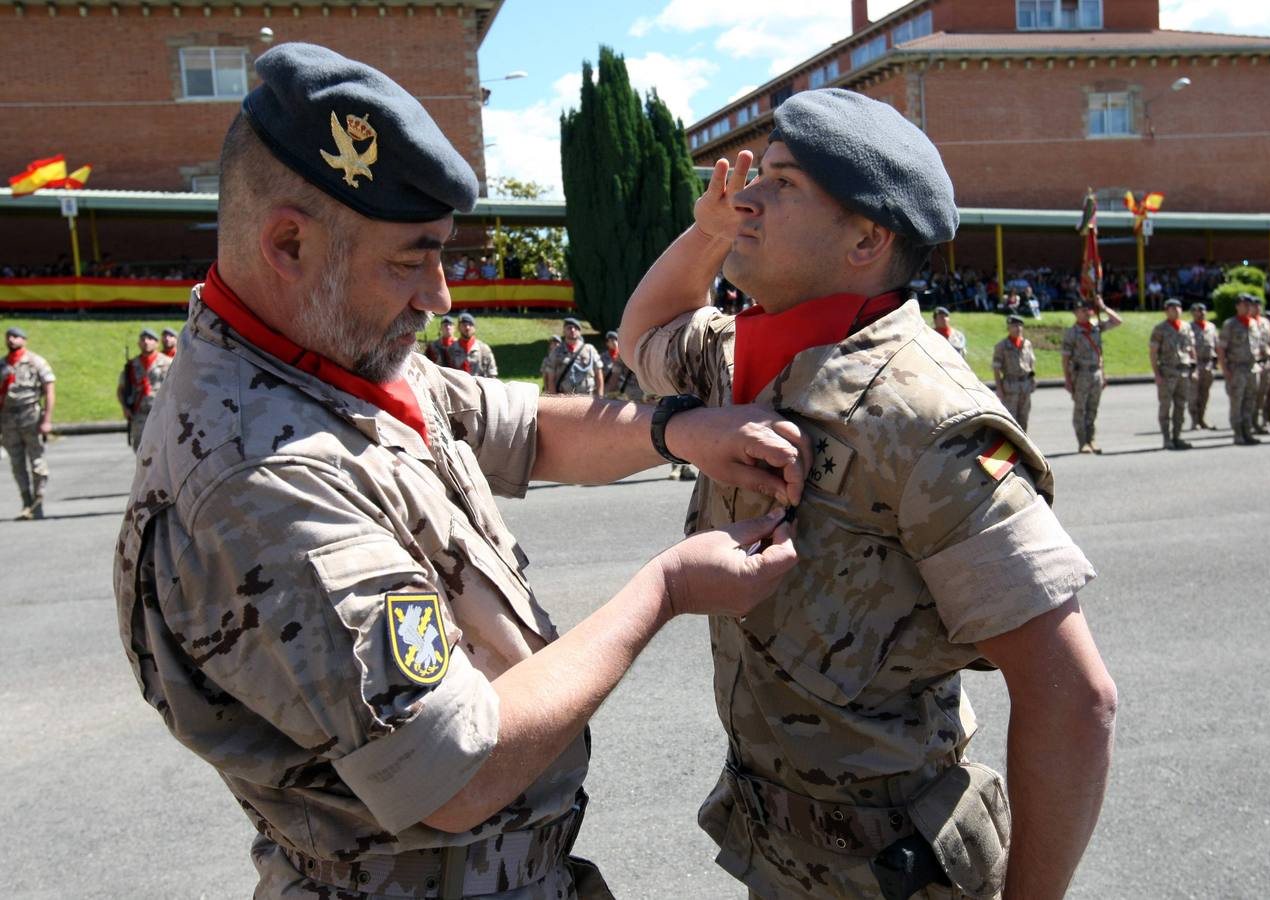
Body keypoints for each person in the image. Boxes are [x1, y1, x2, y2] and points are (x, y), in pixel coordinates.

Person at [112, 44, 811, 900]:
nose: (439, 296)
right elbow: (456, 771)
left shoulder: (326, 350)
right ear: (288, 243)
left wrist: (680, 430)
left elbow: (516, 426)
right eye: (412, 259)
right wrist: (663, 589)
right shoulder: (256, 477)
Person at [620, 89, 1114, 900]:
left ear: (866, 238)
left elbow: (1074, 698)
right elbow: (644, 335)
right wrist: (713, 232)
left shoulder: (928, 418)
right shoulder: (745, 352)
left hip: (897, 869)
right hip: (774, 848)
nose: (747, 197)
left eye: (782, 184)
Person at [1, 326, 55, 520]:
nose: (11, 340)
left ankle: (37, 502)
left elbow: (49, 389)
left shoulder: (35, 362)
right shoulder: (2, 365)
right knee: (16, 463)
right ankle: (26, 501)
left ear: (24, 339)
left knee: (37, 461)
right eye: (9, 337)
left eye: (16, 336)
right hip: (7, 420)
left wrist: (47, 420)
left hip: (30, 417)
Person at [1062, 295, 1122, 454]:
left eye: (1088, 309)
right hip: (1080, 375)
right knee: (1080, 409)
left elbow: (1117, 321)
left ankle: (1092, 439)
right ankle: (1082, 442)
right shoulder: (1072, 333)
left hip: (1096, 373)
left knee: (1093, 408)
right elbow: (1065, 358)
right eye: (1083, 310)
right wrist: (1067, 380)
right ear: (1076, 313)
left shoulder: (1096, 327)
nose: (1087, 312)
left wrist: (1103, 307)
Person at [1148, 299, 1196, 451]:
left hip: (1184, 371)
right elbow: (1153, 353)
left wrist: (1194, 369)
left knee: (1181, 405)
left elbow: (1191, 348)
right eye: (1172, 308)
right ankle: (1166, 438)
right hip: (1167, 371)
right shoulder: (1160, 329)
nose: (1176, 310)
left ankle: (1177, 436)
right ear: (1166, 311)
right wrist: (1156, 373)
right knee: (1166, 406)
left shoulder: (1186, 327)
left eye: (1178, 307)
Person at [1218, 292, 1264, 446]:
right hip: (1236, 368)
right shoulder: (1230, 324)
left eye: (1249, 305)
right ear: (1237, 306)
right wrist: (1225, 369)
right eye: (1244, 304)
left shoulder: (1254, 324)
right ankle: (1238, 433)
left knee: (1250, 401)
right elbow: (1221, 349)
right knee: (1237, 402)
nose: (1247, 308)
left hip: (1252, 368)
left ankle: (1247, 431)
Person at [117, 327, 173, 450]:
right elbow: (121, 390)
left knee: (164, 448)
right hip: (139, 414)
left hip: (163, 413)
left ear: (157, 343)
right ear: (138, 343)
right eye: (143, 339)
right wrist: (125, 408)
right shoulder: (131, 366)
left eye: (150, 339)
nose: (146, 342)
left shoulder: (169, 363)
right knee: (141, 449)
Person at [991, 313, 1035, 430]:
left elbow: (1031, 364)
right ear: (1009, 328)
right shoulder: (1001, 346)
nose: (1018, 328)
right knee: (1011, 420)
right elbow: (996, 369)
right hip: (1010, 386)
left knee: (1024, 418)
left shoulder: (1027, 344)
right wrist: (999, 388)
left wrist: (1032, 381)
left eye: (1020, 325)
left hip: (1025, 385)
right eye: (1015, 326)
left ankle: (1023, 446)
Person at [544, 317, 603, 397]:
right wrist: (554, 400)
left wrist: (600, 396)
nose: (573, 330)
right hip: (565, 398)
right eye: (569, 328)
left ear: (580, 332)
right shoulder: (556, 351)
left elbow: (598, 373)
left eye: (576, 328)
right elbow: (551, 379)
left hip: (587, 397)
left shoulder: (589, 349)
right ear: (563, 331)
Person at [1189, 302, 1219, 430]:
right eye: (1198, 310)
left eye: (1203, 310)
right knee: (1193, 394)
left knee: (1205, 394)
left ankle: (1202, 418)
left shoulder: (1211, 327)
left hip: (1208, 364)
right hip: (1196, 364)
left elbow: (1216, 344)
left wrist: (1217, 361)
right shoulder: (1189, 327)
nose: (1201, 313)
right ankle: (1194, 420)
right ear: (1192, 313)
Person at [444, 312, 498, 378]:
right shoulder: (451, 349)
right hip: (458, 386)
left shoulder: (483, 348)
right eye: (464, 325)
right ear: (458, 328)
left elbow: (492, 372)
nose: (467, 327)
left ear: (474, 328)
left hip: (479, 385)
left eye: (470, 324)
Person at [602, 330, 643, 402]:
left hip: (636, 392)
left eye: (615, 340)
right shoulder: (604, 356)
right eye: (611, 340)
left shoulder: (623, 354)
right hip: (626, 391)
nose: (614, 342)